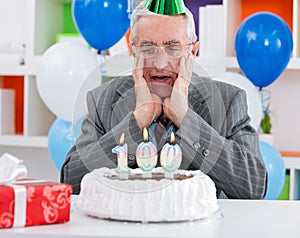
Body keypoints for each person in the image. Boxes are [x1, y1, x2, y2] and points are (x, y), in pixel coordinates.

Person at [61, 0, 267, 198]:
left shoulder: (229, 100)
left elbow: (254, 187)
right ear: (133, 51)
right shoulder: (103, 100)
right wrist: (135, 122)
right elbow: (71, 181)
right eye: (148, 48)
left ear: (192, 52)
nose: (160, 63)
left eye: (173, 48)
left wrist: (186, 120)